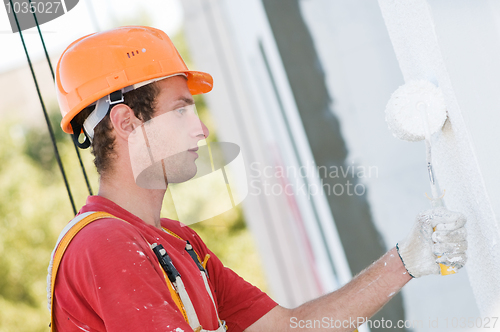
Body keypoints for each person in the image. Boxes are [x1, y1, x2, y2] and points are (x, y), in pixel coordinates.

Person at [48, 26, 467, 332]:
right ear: (125, 121)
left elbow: (288, 328)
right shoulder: (104, 246)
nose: (201, 131)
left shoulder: (180, 242)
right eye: (180, 110)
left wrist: (407, 260)